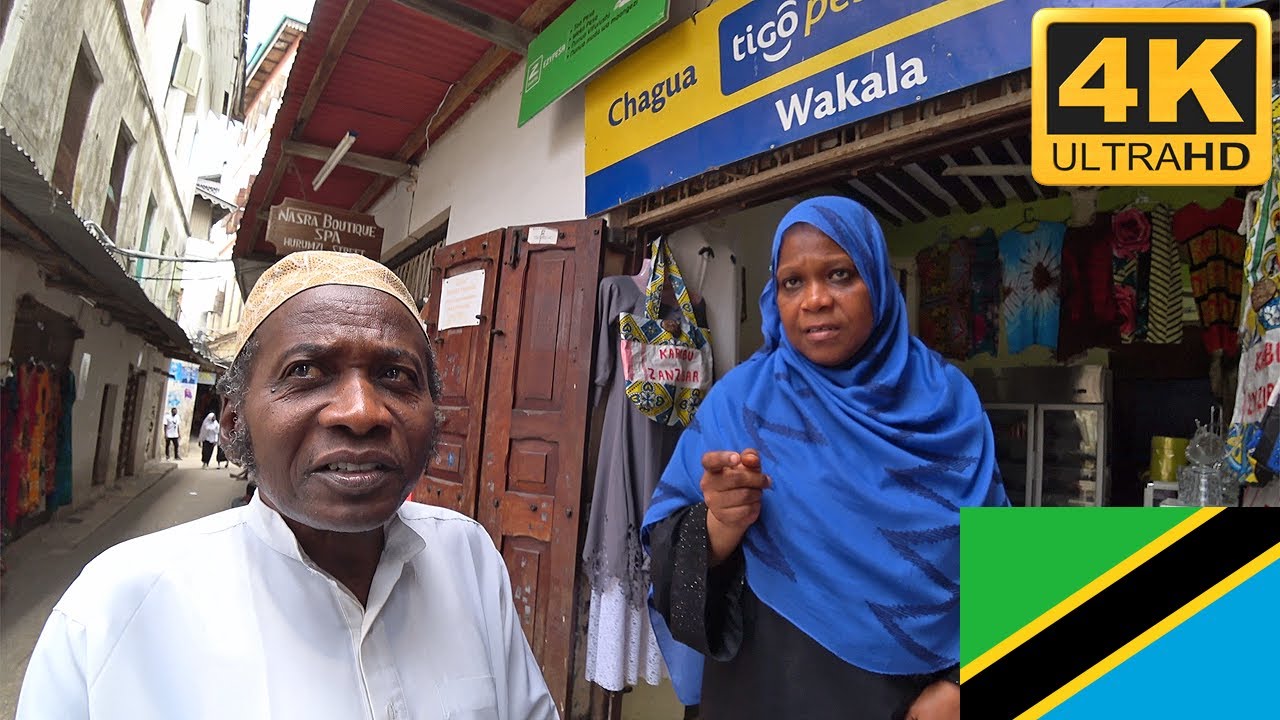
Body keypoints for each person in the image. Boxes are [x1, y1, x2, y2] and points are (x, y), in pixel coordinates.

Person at [17, 251, 558, 719]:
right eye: (305, 371)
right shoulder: (115, 608)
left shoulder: (468, 556)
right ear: (232, 423)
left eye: (395, 376)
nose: (362, 412)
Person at [642, 197, 1009, 720]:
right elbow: (667, 555)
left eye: (839, 275)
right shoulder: (741, 403)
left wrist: (960, 683)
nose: (814, 300)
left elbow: (997, 556)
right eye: (793, 282)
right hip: (761, 692)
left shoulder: (948, 405)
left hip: (905, 701)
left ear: (879, 282)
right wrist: (719, 526)